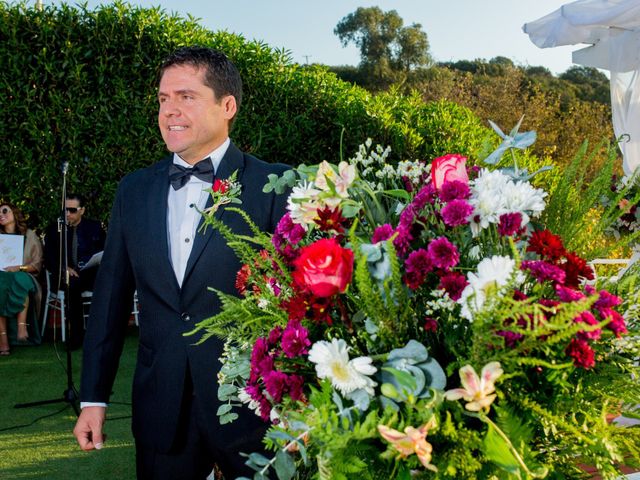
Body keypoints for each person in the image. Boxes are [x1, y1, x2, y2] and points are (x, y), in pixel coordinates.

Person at [73, 46, 290, 479]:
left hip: (254, 413)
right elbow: (110, 302)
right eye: (163, 98)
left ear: (227, 106)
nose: (169, 110)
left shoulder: (273, 186)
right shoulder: (133, 191)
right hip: (161, 412)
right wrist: (92, 399)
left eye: (186, 96)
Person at [44, 193, 106, 349]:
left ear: (82, 210)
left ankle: (104, 332)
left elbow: (105, 250)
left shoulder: (95, 227)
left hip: (89, 271)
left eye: (72, 210)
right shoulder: (54, 230)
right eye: (64, 210)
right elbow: (49, 258)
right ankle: (77, 335)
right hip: (65, 275)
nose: (67, 214)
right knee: (72, 285)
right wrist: (64, 268)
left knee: (110, 280)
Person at [0, 202, 43, 355]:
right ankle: (3, 339)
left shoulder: (29, 235)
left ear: (15, 213)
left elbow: (37, 264)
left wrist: (19, 267)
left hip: (25, 274)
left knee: (20, 278)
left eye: (5, 211)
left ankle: (22, 326)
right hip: (2, 275)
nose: (1, 214)